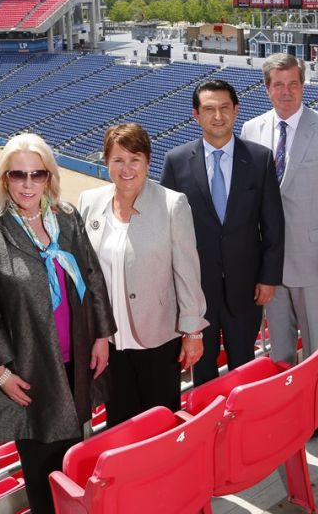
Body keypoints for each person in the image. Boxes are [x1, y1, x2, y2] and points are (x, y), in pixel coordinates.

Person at [0, 134, 116, 514]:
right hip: (29, 372)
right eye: (18, 175)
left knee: (76, 460)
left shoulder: (67, 217)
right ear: (5, 179)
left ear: (49, 177)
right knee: (43, 470)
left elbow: (92, 276)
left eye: (37, 174)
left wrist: (101, 336)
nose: (28, 184)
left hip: (76, 362)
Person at [241, 53, 318, 437]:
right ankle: (282, 403)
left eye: (293, 83)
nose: (286, 91)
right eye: (278, 84)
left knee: (317, 340)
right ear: (267, 88)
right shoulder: (252, 130)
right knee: (279, 344)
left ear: (303, 85)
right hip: (269, 263)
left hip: (315, 260)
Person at [78, 123, 209, 427]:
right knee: (120, 426)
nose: (126, 168)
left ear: (148, 162)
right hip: (109, 342)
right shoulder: (89, 202)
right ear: (106, 162)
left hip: (158, 340)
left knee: (161, 424)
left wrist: (193, 332)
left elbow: (187, 274)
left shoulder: (172, 204)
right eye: (117, 160)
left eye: (134, 159)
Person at [161, 79, 285, 385]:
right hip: (196, 290)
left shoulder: (259, 159)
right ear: (196, 114)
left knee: (244, 365)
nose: (218, 116)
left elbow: (273, 225)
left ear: (236, 110)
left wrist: (269, 278)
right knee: (202, 369)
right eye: (209, 109)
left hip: (245, 287)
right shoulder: (176, 162)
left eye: (224, 108)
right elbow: (167, 231)